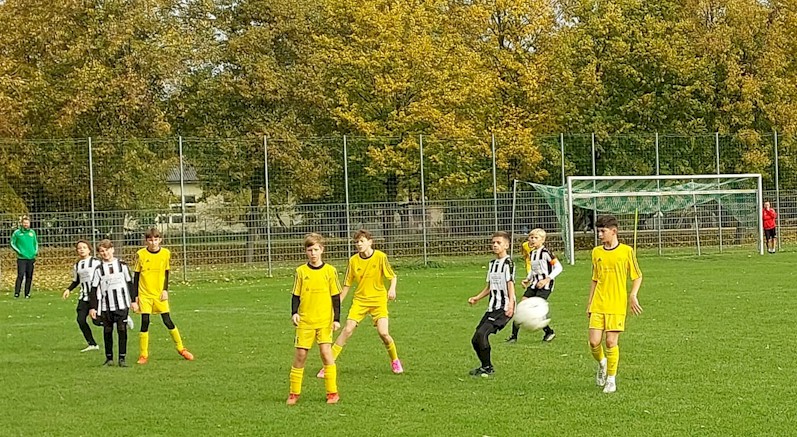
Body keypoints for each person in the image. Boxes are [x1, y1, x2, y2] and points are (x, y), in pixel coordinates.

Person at [317, 229, 401, 379]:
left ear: (370, 242)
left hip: (378, 301)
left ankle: (395, 360)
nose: (359, 244)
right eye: (356, 242)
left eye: (362, 241)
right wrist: (336, 306)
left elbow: (392, 276)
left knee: (384, 333)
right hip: (360, 301)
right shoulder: (353, 261)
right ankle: (328, 365)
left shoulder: (380, 257)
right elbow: (347, 285)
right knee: (347, 330)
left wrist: (392, 289)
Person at [587, 215, 643, 394]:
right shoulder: (596, 252)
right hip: (599, 302)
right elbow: (595, 279)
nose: (600, 235)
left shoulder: (626, 251)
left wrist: (632, 295)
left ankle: (611, 379)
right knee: (594, 342)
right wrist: (590, 303)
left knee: (611, 342)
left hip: (617, 303)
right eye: (599, 232)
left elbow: (637, 275)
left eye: (603, 231)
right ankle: (603, 363)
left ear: (614, 231)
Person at [288, 233, 342, 405]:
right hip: (305, 320)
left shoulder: (330, 271)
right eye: (309, 250)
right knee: (300, 355)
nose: (313, 253)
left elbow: (336, 297)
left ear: (322, 250)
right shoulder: (301, 271)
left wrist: (336, 319)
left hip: (325, 320)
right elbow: (295, 295)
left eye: (316, 249)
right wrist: (294, 313)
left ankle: (332, 393)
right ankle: (294, 393)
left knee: (326, 354)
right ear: (306, 252)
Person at [133, 228, 193, 364]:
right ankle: (143, 354)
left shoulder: (165, 253)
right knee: (145, 322)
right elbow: (135, 277)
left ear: (160, 240)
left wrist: (165, 290)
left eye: (155, 239)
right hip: (145, 294)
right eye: (150, 240)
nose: (153, 243)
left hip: (159, 294)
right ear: (146, 241)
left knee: (168, 321)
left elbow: (166, 273)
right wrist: (134, 298)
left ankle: (181, 348)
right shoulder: (141, 254)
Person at [467, 231, 516, 377]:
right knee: (475, 339)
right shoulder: (492, 264)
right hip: (492, 307)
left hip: (504, 307)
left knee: (482, 334)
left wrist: (511, 305)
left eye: (499, 243)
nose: (495, 245)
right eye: (493, 242)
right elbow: (490, 287)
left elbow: (510, 284)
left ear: (506, 245)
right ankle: (485, 366)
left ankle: (487, 368)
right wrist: (477, 298)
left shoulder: (508, 263)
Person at [507, 228, 563, 343]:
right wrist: (528, 279)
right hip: (534, 284)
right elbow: (534, 269)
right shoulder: (532, 253)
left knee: (535, 310)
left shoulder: (546, 253)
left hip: (545, 286)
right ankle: (513, 336)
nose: (532, 240)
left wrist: (547, 279)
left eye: (535, 238)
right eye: (531, 237)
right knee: (521, 308)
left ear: (542, 240)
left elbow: (559, 267)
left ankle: (549, 332)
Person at [88, 239, 135, 367]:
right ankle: (109, 358)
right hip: (105, 306)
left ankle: (122, 358)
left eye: (107, 250)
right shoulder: (98, 269)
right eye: (102, 251)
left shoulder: (122, 266)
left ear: (112, 250)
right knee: (107, 331)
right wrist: (93, 307)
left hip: (121, 304)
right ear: (99, 254)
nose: (105, 253)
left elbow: (130, 284)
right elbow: (93, 288)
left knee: (122, 330)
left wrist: (134, 301)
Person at [62, 240, 104, 352]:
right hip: (84, 296)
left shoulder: (96, 262)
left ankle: (121, 319)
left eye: (84, 247)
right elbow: (76, 280)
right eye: (79, 248)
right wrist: (68, 289)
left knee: (96, 320)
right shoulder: (77, 265)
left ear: (89, 249)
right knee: (80, 320)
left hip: (96, 295)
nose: (81, 250)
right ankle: (92, 344)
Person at [10, 216, 38, 298]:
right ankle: (17, 293)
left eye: (27, 223)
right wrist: (19, 251)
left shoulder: (32, 232)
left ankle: (27, 293)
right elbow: (12, 243)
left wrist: (35, 251)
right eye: (24, 223)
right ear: (22, 223)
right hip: (21, 258)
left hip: (31, 257)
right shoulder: (17, 233)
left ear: (29, 223)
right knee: (20, 275)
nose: (26, 224)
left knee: (29, 276)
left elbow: (35, 243)